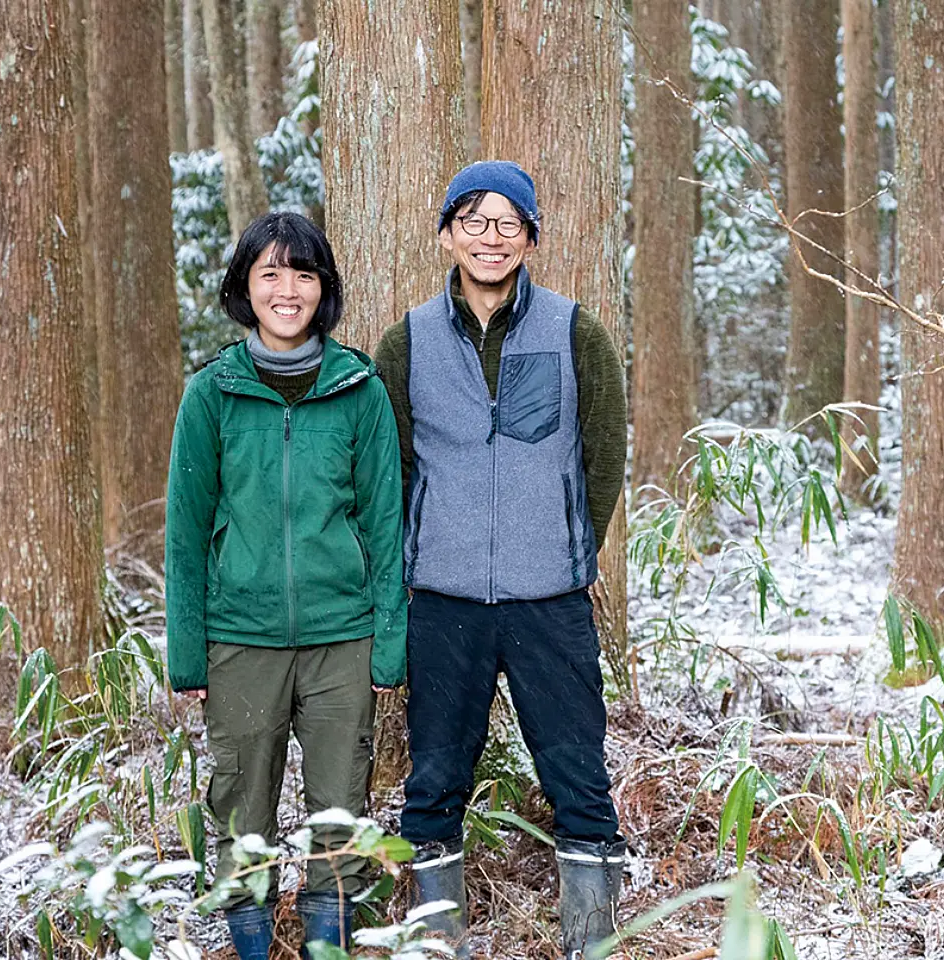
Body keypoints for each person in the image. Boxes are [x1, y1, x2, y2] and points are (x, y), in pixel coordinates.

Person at [374, 161, 628, 959]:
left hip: (549, 601)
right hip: (443, 602)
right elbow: (390, 469)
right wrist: (420, 556)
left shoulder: (575, 332)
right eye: (474, 221)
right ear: (447, 234)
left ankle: (591, 942)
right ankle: (435, 942)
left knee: (579, 777)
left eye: (508, 222)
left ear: (530, 237)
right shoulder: (406, 341)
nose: (491, 237)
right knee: (433, 783)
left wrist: (564, 548)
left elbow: (604, 456)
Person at [165, 211, 406, 960]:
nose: (287, 289)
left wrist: (389, 644)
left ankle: (327, 944)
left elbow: (386, 525)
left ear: (323, 288)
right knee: (241, 809)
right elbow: (185, 532)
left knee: (341, 811)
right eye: (269, 273)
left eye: (303, 273)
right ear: (245, 286)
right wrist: (187, 653)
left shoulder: (359, 390)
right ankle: (249, 944)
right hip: (241, 638)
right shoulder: (212, 394)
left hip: (343, 638)